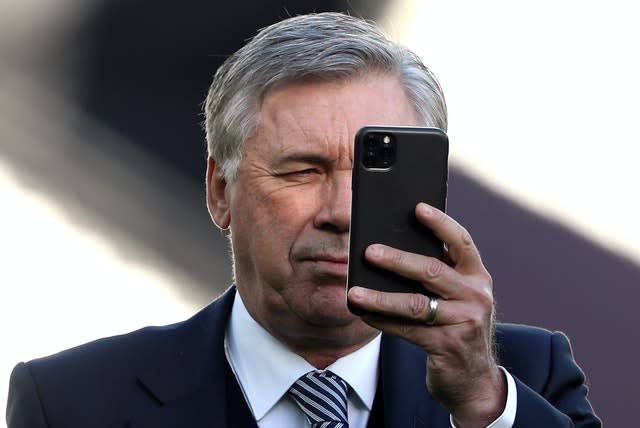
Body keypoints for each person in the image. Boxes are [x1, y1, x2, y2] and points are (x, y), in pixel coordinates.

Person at [7, 12, 600, 428]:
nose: (342, 213)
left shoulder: (521, 381)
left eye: (375, 175)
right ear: (219, 191)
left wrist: (481, 403)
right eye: (302, 171)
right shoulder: (71, 402)